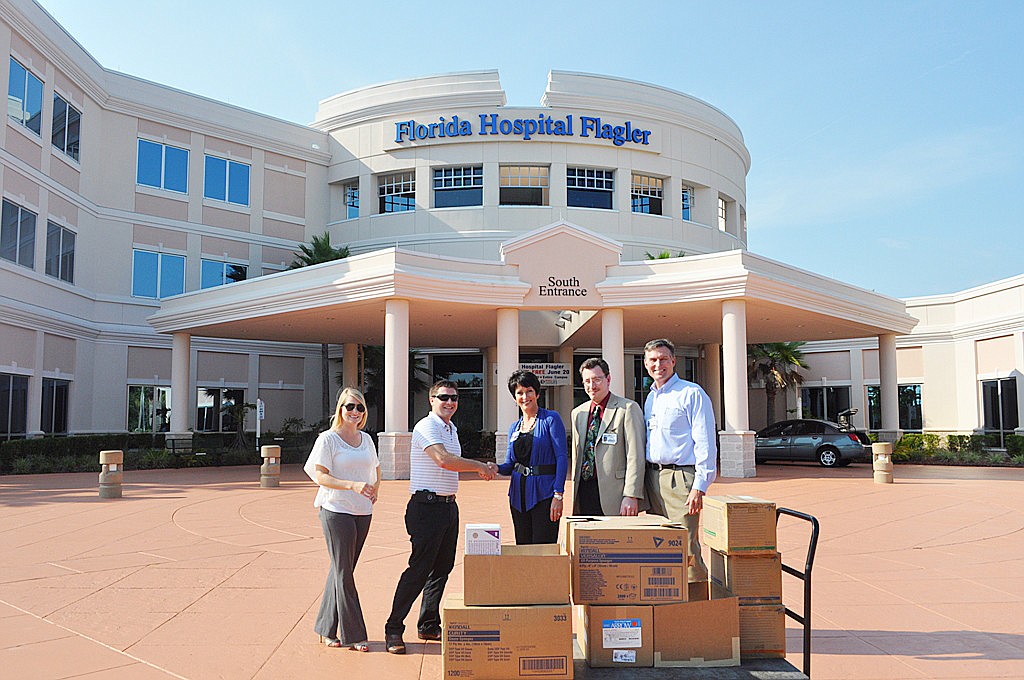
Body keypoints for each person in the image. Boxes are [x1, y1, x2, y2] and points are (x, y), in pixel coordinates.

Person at [385, 380, 498, 655]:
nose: (450, 402)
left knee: (442, 569)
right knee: (419, 569)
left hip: (448, 507)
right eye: (444, 397)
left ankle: (428, 624)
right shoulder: (427, 426)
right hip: (426, 508)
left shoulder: (450, 428)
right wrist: (481, 467)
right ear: (431, 400)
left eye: (455, 398)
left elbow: (450, 462)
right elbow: (443, 460)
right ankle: (393, 628)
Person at [304, 387, 380, 652]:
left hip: (362, 512)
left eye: (359, 407)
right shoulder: (328, 439)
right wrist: (352, 485)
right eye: (350, 407)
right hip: (336, 510)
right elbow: (320, 475)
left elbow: (376, 468)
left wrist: (375, 490)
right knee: (343, 572)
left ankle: (325, 629)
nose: (355, 412)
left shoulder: (366, 440)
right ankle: (354, 634)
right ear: (340, 409)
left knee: (341, 570)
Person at [642, 338, 718, 581]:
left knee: (686, 545)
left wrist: (700, 486)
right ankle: (669, 602)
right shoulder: (651, 398)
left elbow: (705, 440)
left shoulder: (691, 393)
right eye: (653, 360)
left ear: (673, 361)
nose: (658, 364)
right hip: (654, 478)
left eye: (664, 359)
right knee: (660, 546)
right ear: (645, 364)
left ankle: (696, 608)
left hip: (681, 478)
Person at [497, 370, 569, 544]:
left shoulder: (551, 419)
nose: (525, 396)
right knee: (523, 546)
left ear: (537, 393)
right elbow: (509, 464)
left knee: (543, 548)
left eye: (529, 391)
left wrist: (558, 495)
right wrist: (493, 468)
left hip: (544, 493)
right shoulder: (514, 427)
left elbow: (561, 457)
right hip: (518, 494)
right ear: (515, 398)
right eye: (519, 392)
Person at [570, 358, 647, 516]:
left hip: (616, 494)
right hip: (584, 491)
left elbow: (636, 455)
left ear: (608, 379)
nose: (592, 386)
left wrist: (631, 494)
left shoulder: (627, 409)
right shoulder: (578, 413)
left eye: (597, 379)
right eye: (587, 381)